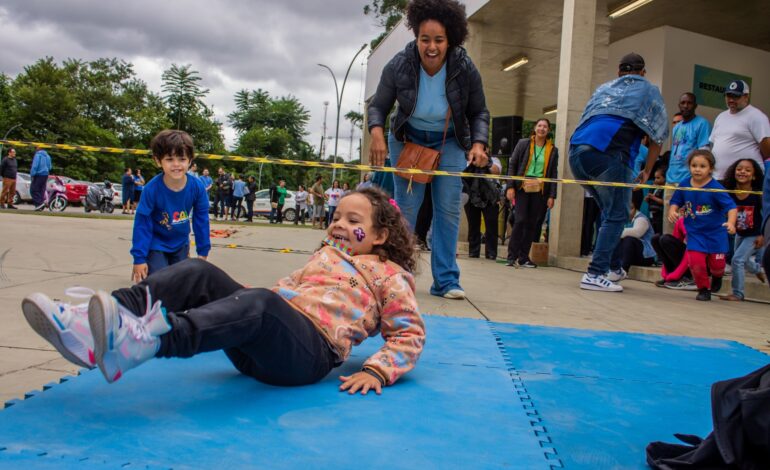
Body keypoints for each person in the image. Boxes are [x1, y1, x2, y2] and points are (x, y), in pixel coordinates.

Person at [21, 188, 425, 396]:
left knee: (263, 304)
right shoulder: (324, 257)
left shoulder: (390, 277)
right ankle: (100, 322)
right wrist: (232, 298)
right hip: (262, 341)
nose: (337, 223)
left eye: (352, 219)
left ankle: (145, 342)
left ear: (380, 235)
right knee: (199, 271)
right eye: (335, 215)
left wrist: (377, 370)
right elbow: (282, 292)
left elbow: (408, 333)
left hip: (305, 357)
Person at [367, 0, 490, 299]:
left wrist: (478, 143)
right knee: (406, 208)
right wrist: (377, 135)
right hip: (408, 138)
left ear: (450, 39)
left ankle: (446, 281)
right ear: (416, 38)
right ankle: (398, 277)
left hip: (449, 140)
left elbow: (479, 112)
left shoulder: (463, 66)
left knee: (448, 207)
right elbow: (379, 106)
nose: (431, 47)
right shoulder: (399, 64)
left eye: (439, 40)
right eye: (425, 39)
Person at [568, 52, 668, 292]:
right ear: (643, 72)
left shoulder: (604, 88)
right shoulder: (648, 89)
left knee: (609, 211)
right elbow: (657, 138)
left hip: (577, 152)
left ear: (619, 72)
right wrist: (648, 171)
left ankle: (613, 268)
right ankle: (595, 273)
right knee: (617, 214)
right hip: (609, 153)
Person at [129, 130, 211, 282]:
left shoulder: (197, 188)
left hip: (181, 244)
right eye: (169, 159)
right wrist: (139, 259)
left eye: (182, 159)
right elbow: (142, 224)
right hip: (156, 243)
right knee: (160, 282)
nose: (176, 165)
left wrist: (203, 251)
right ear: (158, 161)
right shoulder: (151, 189)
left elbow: (201, 220)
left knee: (180, 284)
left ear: (190, 160)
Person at [668, 149, 737, 301]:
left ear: (710, 168)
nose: (697, 169)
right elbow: (675, 201)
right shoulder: (684, 184)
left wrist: (731, 223)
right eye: (694, 165)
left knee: (717, 266)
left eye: (702, 166)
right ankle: (704, 289)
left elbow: (731, 207)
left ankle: (717, 277)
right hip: (695, 233)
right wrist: (672, 211)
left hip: (716, 234)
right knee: (696, 263)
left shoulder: (716, 188)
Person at [505, 118, 559, 268]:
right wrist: (510, 186)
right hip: (523, 187)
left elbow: (554, 174)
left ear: (548, 130)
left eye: (545, 127)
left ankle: (523, 257)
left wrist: (552, 195)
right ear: (535, 128)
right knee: (520, 219)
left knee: (532, 224)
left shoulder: (553, 150)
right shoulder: (524, 143)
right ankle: (511, 256)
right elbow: (513, 165)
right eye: (539, 126)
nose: (542, 129)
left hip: (540, 189)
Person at [720, 159, 765, 301]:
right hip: (740, 233)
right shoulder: (730, 193)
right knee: (743, 261)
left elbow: (765, 216)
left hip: (754, 234)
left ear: (754, 175)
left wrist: (763, 235)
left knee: (737, 260)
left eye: (747, 170)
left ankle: (738, 293)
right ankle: (758, 269)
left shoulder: (758, 195)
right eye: (739, 169)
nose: (742, 172)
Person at [709, 80, 770, 180]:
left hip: (743, 181)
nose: (731, 100)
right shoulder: (721, 116)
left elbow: (767, 151)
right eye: (728, 96)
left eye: (736, 96)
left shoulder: (756, 116)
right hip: (718, 178)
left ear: (746, 96)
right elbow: (715, 145)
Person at [667, 93, 711, 185]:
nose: (686, 106)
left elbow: (704, 153)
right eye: (683, 103)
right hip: (671, 178)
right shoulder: (676, 127)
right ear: (679, 105)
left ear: (695, 106)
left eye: (689, 103)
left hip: (689, 179)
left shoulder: (702, 123)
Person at [464, 154, 501, 260]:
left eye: (485, 149)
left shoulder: (494, 160)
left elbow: (497, 171)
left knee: (492, 225)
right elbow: (463, 171)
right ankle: (473, 251)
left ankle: (491, 253)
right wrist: (473, 162)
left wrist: (486, 163)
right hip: (472, 195)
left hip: (490, 197)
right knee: (473, 224)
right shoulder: (468, 160)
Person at [652, 218, 695, 290]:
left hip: (700, 260)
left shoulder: (696, 222)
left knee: (665, 239)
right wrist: (666, 275)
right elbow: (673, 249)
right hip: (688, 257)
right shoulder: (680, 221)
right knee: (656, 239)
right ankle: (675, 275)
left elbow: (691, 250)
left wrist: (675, 275)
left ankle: (687, 277)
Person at [615, 199, 656, 273]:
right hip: (632, 256)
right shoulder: (626, 219)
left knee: (629, 239)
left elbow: (637, 233)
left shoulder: (641, 219)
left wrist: (614, 233)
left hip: (646, 257)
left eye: (631, 208)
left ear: (636, 209)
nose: (628, 211)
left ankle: (624, 270)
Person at [30, 146, 52, 211]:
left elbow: (35, 166)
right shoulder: (48, 156)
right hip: (45, 175)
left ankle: (39, 204)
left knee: (33, 190)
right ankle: (40, 205)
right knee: (41, 190)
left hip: (38, 174)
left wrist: (32, 174)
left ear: (38, 149)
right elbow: (50, 167)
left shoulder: (38, 155)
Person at [645, 166, 666, 234]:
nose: (655, 180)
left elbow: (664, 202)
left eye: (658, 178)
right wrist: (648, 199)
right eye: (655, 178)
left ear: (665, 178)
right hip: (652, 215)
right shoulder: (653, 187)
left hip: (660, 215)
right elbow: (649, 200)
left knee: (659, 233)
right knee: (653, 233)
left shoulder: (665, 189)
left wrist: (653, 197)